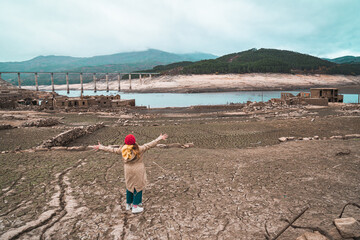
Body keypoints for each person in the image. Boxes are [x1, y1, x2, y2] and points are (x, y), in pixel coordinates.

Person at [93, 133, 168, 214]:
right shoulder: (139, 149)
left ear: (125, 142)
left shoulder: (122, 150)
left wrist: (101, 147)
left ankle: (128, 204)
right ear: (134, 141)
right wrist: (159, 138)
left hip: (128, 170)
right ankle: (135, 206)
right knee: (138, 186)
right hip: (138, 169)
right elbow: (150, 144)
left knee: (129, 186)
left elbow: (112, 150)